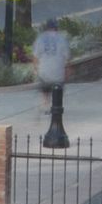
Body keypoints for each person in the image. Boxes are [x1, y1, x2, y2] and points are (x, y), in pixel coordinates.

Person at [34, 13, 72, 151]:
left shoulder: (40, 38)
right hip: (58, 72)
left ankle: (45, 107)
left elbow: (35, 57)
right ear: (56, 28)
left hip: (44, 71)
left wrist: (36, 69)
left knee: (45, 91)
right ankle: (55, 110)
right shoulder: (62, 39)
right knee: (57, 91)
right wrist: (67, 70)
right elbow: (67, 57)